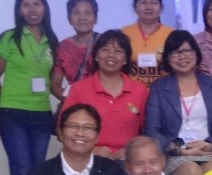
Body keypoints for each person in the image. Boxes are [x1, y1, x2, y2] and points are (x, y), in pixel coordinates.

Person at [0, 0, 59, 175]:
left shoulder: (52, 41)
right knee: (21, 171)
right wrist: (2, 103)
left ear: (44, 8)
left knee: (37, 171)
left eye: (37, 4)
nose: (32, 9)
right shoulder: (9, 38)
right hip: (13, 114)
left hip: (41, 114)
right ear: (19, 10)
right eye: (26, 4)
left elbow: (53, 80)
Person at [144, 30, 212, 175]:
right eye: (175, 53)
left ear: (196, 53)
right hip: (174, 154)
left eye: (187, 51)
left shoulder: (210, 84)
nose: (182, 57)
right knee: (191, 172)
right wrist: (179, 150)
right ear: (168, 58)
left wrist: (209, 144)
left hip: (208, 150)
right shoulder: (159, 88)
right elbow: (152, 131)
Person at [62, 30, 148, 160]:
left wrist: (132, 151)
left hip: (128, 161)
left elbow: (148, 131)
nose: (111, 55)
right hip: (88, 159)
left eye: (118, 51)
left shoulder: (139, 90)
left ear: (126, 59)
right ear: (96, 55)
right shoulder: (79, 89)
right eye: (105, 49)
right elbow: (63, 128)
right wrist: (90, 149)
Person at [121, 0, 173, 87]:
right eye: (143, 2)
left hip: (163, 95)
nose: (149, 7)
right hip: (130, 94)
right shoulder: (123, 34)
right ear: (135, 7)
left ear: (161, 7)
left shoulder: (172, 35)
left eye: (154, 2)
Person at [50, 0, 99, 100]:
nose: (82, 18)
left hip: (102, 105)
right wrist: (72, 102)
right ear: (69, 19)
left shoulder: (105, 43)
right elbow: (54, 84)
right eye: (76, 13)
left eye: (88, 13)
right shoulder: (63, 47)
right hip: (75, 106)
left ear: (95, 18)